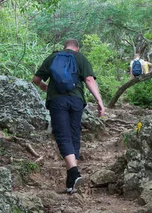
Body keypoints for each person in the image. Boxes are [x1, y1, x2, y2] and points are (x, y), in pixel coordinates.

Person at [32, 39, 105, 194]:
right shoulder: (80, 58)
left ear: (63, 47)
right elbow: (89, 80)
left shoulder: (52, 58)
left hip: (57, 101)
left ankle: (73, 172)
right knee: (74, 135)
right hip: (76, 100)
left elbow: (36, 80)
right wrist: (99, 100)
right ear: (76, 48)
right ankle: (72, 180)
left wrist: (45, 87)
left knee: (62, 135)